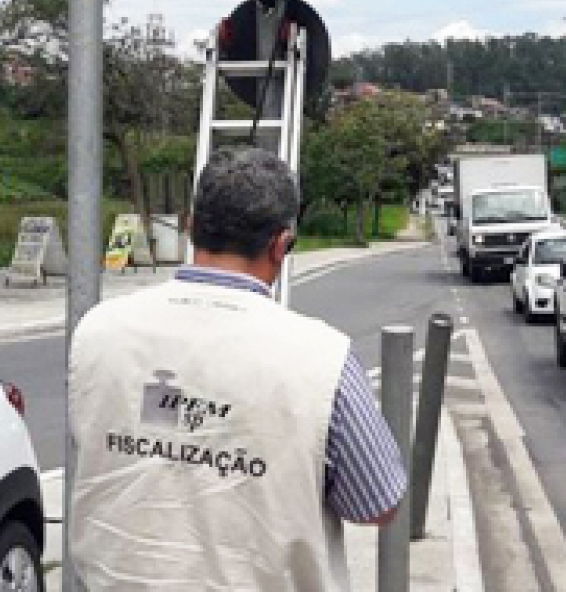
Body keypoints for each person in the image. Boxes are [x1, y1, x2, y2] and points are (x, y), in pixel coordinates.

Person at [69, 147, 407, 591]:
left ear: (191, 227)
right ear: (281, 244)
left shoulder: (98, 330)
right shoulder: (323, 360)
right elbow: (376, 506)